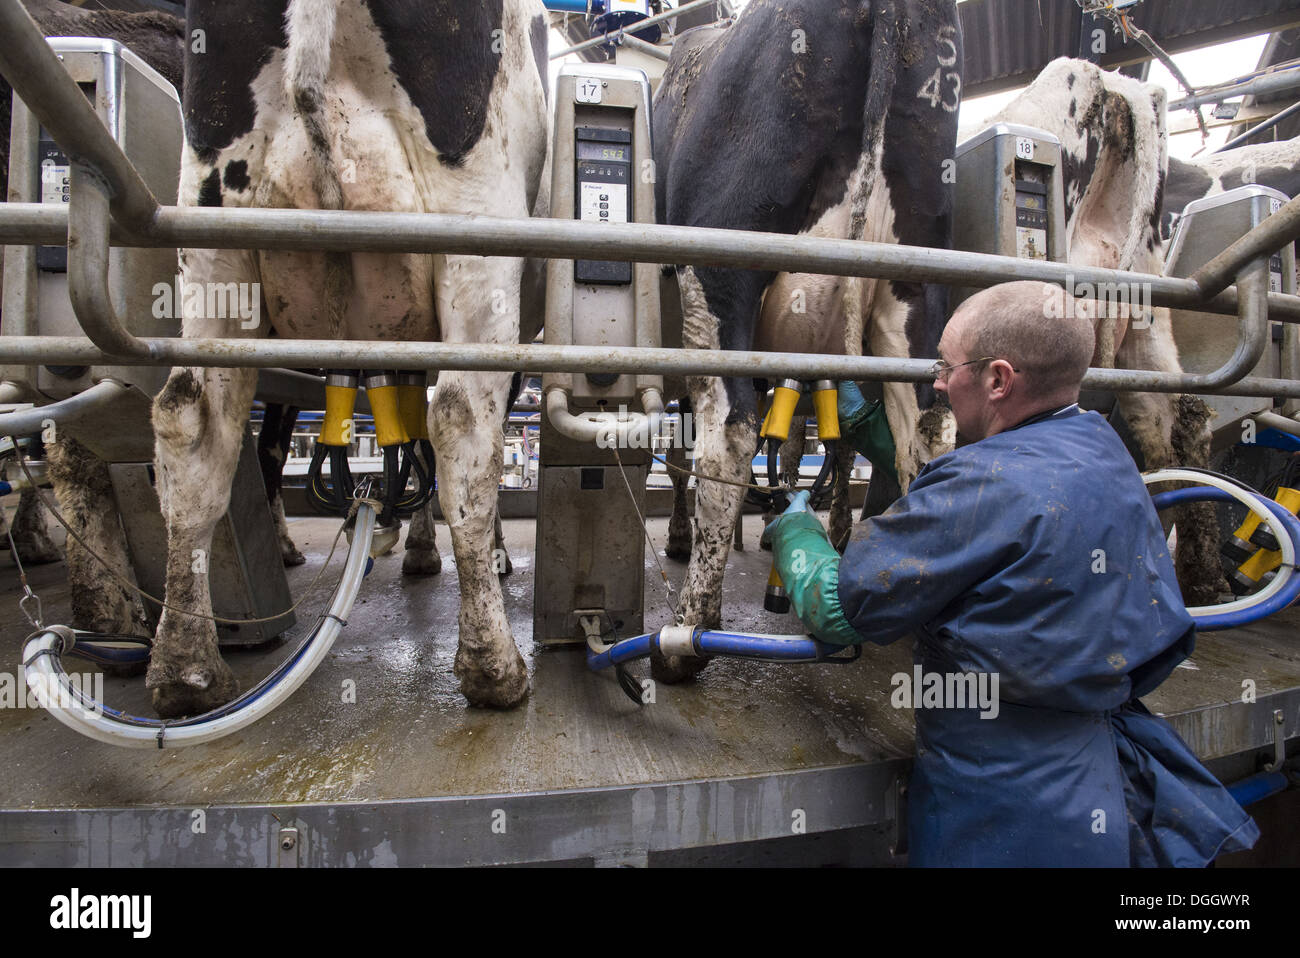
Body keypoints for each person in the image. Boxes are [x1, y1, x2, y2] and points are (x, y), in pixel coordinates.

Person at [766, 280, 1260, 867]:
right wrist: (871, 423)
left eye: (947, 368)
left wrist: (798, 535)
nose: (937, 383)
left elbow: (836, 608)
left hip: (999, 805)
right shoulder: (1101, 447)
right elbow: (984, 504)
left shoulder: (980, 487)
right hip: (1093, 778)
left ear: (999, 379)